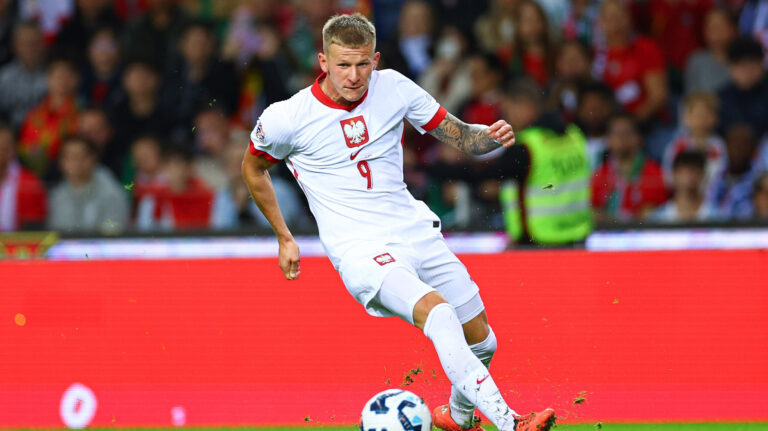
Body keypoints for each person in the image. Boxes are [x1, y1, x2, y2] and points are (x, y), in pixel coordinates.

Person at [240, 13, 555, 431]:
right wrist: (285, 236)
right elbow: (252, 168)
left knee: (482, 340)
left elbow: (459, 135)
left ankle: (458, 419)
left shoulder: (395, 87)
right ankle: (510, 422)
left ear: (376, 59)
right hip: (361, 250)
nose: (354, 76)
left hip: (414, 230)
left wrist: (489, 138)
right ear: (323, 61)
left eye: (363, 64)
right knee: (440, 317)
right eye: (343, 65)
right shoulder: (288, 117)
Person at [493, 81, 593, 245]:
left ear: (524, 106)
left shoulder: (526, 147)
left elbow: (486, 175)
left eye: (507, 110)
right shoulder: (575, 135)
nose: (505, 119)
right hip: (578, 238)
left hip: (538, 243)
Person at [591, 113, 668, 222]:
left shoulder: (653, 172)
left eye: (627, 132)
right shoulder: (600, 174)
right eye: (616, 133)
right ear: (608, 139)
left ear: (638, 137)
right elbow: (593, 210)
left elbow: (649, 212)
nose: (621, 138)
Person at [47, 136, 129, 234]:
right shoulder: (58, 194)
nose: (74, 163)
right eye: (68, 157)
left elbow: (113, 233)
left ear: (93, 158)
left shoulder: (111, 192)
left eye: (79, 157)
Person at [17, 57, 81, 179]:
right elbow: (26, 146)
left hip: (70, 173)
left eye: (67, 76)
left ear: (76, 79)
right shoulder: (35, 114)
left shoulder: (81, 112)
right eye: (57, 76)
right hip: (36, 173)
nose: (62, 81)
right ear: (48, 79)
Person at [661, 92, 727, 205]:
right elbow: (668, 176)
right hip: (682, 198)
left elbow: (719, 176)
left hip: (710, 200)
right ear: (686, 118)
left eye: (707, 115)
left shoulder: (717, 146)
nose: (702, 119)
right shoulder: (677, 146)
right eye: (698, 115)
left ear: (715, 118)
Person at [717, 35, 768, 139]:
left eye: (753, 64)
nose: (748, 70)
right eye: (742, 65)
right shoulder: (720, 98)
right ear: (730, 67)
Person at [0, 21, 48, 130]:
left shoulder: (55, 75)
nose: (31, 48)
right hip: (11, 135)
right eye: (25, 43)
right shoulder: (3, 78)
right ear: (15, 46)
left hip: (47, 135)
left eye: (35, 43)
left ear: (43, 44)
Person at [0, 122, 46, 231]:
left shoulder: (31, 182)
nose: (1, 152)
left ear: (14, 148)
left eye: (5, 146)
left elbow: (34, 226)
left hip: (19, 245)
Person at [651, 151, 720, 223]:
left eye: (696, 170)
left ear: (703, 174)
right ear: (674, 174)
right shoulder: (658, 217)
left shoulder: (718, 216)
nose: (691, 175)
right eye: (685, 170)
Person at [684, 8, 738, 94]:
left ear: (733, 29)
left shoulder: (743, 60)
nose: (716, 33)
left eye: (720, 27)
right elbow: (690, 98)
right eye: (711, 28)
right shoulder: (696, 60)